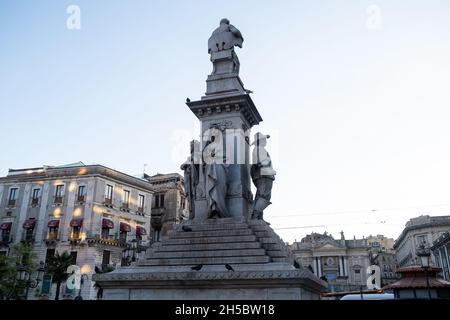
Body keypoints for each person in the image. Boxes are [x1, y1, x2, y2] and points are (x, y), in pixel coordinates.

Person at [250, 132, 276, 222]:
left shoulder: (260, 149)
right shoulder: (259, 149)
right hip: (263, 175)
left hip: (265, 174)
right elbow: (260, 162)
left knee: (262, 195)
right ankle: (255, 216)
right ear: (260, 141)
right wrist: (269, 170)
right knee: (263, 195)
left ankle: (259, 217)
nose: (265, 141)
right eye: (264, 139)